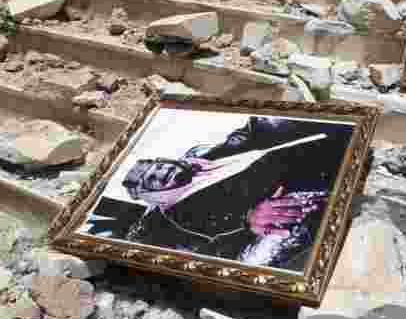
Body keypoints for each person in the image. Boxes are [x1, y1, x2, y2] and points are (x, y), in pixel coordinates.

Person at [84, 116, 355, 270]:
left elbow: (244, 137)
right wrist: (249, 218)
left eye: (156, 166)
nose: (161, 172)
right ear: (152, 196)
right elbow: (213, 236)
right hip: (301, 196)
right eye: (152, 180)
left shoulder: (206, 157)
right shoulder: (180, 216)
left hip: (316, 154)